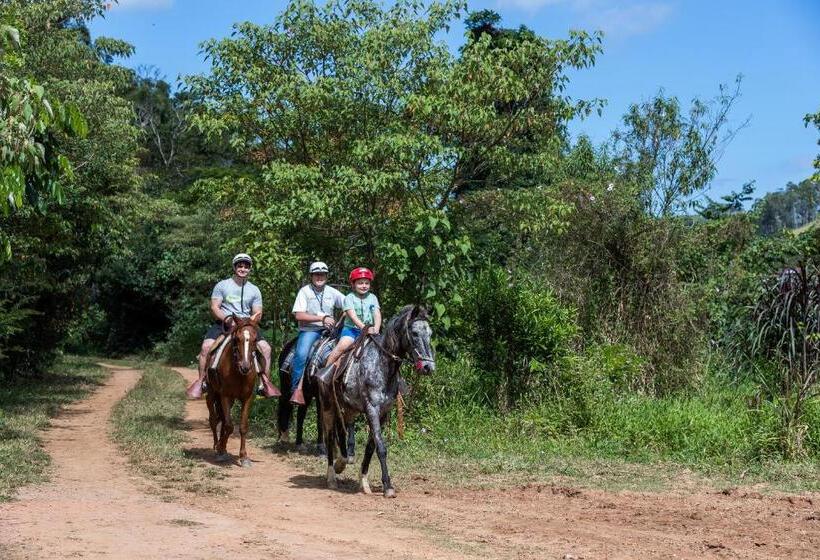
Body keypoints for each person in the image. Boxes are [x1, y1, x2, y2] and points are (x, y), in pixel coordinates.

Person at [186, 253, 280, 399]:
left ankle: (264, 383)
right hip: (225, 323)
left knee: (266, 349)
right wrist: (228, 318)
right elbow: (215, 307)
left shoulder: (254, 290)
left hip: (246, 326)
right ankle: (202, 381)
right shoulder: (222, 285)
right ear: (235, 267)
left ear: (249, 269)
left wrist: (250, 321)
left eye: (246, 266)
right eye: (240, 266)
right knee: (206, 347)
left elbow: (258, 312)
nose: (243, 269)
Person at [288, 261, 345, 405]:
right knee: (301, 354)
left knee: (349, 349)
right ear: (311, 276)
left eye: (322, 274)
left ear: (326, 276)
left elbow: (348, 305)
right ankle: (296, 390)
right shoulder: (304, 291)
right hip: (310, 330)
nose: (319, 277)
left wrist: (343, 317)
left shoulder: (332, 292)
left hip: (330, 331)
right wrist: (322, 318)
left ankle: (343, 389)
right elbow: (299, 315)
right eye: (316, 274)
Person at [322, 267, 381, 372]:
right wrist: (364, 328)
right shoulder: (349, 297)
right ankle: (325, 371)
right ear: (353, 284)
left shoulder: (373, 297)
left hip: (370, 331)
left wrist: (376, 328)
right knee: (342, 346)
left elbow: (377, 314)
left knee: (384, 349)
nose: (364, 286)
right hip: (352, 330)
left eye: (366, 283)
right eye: (360, 283)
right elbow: (352, 316)